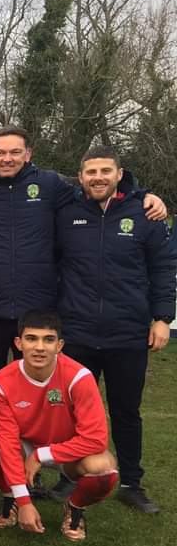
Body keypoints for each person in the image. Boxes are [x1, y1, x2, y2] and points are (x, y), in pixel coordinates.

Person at [0, 126, 166, 424]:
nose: (7, 158)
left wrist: (143, 195)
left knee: (34, 391)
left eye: (15, 152)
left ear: (28, 155)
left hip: (36, 311)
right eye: (0, 152)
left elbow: (96, 189)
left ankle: (31, 460)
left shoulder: (50, 185)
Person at [54, 146, 176, 513]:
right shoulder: (65, 212)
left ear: (119, 174)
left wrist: (161, 318)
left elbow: (163, 269)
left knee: (126, 409)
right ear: (80, 177)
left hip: (128, 332)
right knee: (72, 412)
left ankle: (131, 483)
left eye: (106, 171)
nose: (98, 178)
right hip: (76, 330)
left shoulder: (145, 213)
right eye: (91, 172)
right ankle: (68, 477)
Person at [0, 310, 118, 542]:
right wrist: (24, 500)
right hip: (24, 445)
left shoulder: (79, 377)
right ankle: (12, 497)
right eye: (31, 339)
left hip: (68, 450)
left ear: (60, 345)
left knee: (104, 469)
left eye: (48, 340)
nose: (39, 347)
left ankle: (74, 507)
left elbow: (96, 439)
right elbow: (7, 441)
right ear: (19, 343)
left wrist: (41, 455)